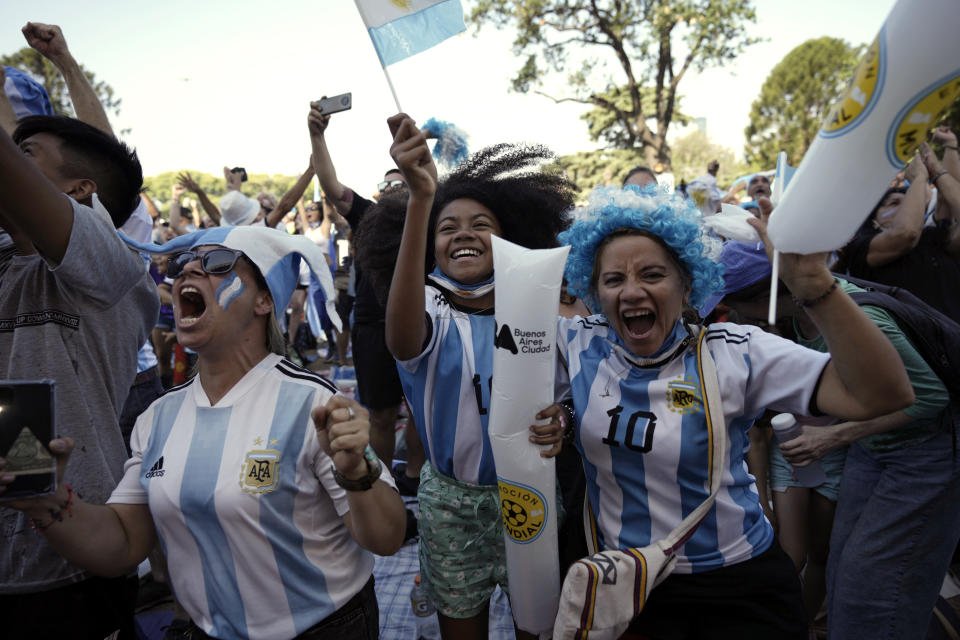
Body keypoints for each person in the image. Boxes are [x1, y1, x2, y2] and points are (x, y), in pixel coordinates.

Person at [0, 226, 407, 640]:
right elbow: (122, 543)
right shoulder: (158, 418)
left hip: (328, 629)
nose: (189, 270)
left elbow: (387, 537)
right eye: (182, 264)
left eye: (216, 263)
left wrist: (358, 470)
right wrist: (49, 503)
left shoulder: (313, 404)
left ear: (264, 300)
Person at [552, 187, 913, 639]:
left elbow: (882, 395)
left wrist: (817, 286)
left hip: (738, 586)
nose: (631, 291)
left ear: (687, 284)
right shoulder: (579, 343)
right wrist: (561, 416)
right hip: (628, 587)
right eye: (612, 280)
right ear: (595, 292)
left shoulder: (736, 353)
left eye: (652, 274)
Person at [382, 113, 574, 640]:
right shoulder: (428, 308)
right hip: (450, 506)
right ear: (430, 244)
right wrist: (422, 199)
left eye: (481, 225)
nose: (463, 232)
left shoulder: (544, 311)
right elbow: (399, 341)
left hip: (532, 495)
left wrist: (564, 419)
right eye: (448, 228)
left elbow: (572, 398)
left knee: (540, 628)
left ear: (509, 239)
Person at [0, 22, 159, 639]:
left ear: (81, 193)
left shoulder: (109, 258)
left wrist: (67, 67)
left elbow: (97, 155)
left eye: (27, 154)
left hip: (70, 569)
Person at [717, 240, 959, 639]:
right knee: (843, 570)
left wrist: (835, 436)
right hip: (874, 450)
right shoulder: (795, 321)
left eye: (740, 303)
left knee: (878, 584)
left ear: (770, 296)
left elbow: (931, 396)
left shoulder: (864, 320)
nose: (739, 313)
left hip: (925, 454)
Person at [837, 143, 960, 324]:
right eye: (894, 203)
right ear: (874, 220)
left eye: (911, 199)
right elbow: (906, 233)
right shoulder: (859, 248)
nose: (910, 205)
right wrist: (918, 179)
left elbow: (946, 202)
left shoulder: (932, 238)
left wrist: (938, 169)